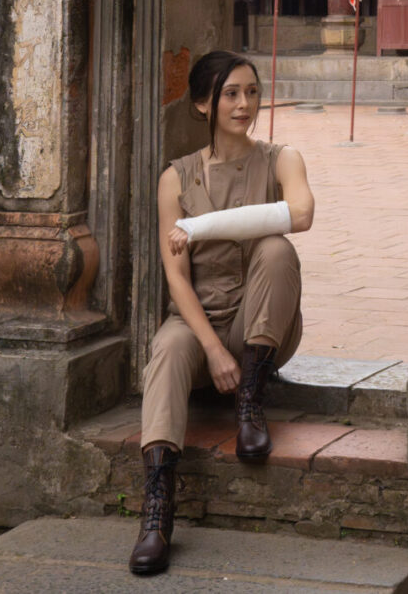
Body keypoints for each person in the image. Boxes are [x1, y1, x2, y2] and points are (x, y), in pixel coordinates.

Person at [129, 50, 315, 577]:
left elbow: (300, 213)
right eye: (231, 93)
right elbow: (176, 276)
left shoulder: (282, 158)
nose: (244, 103)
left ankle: (250, 401)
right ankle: (157, 511)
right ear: (202, 104)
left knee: (277, 248)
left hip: (261, 321)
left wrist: (202, 226)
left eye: (251, 92)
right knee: (166, 349)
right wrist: (210, 349)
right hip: (200, 321)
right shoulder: (176, 178)